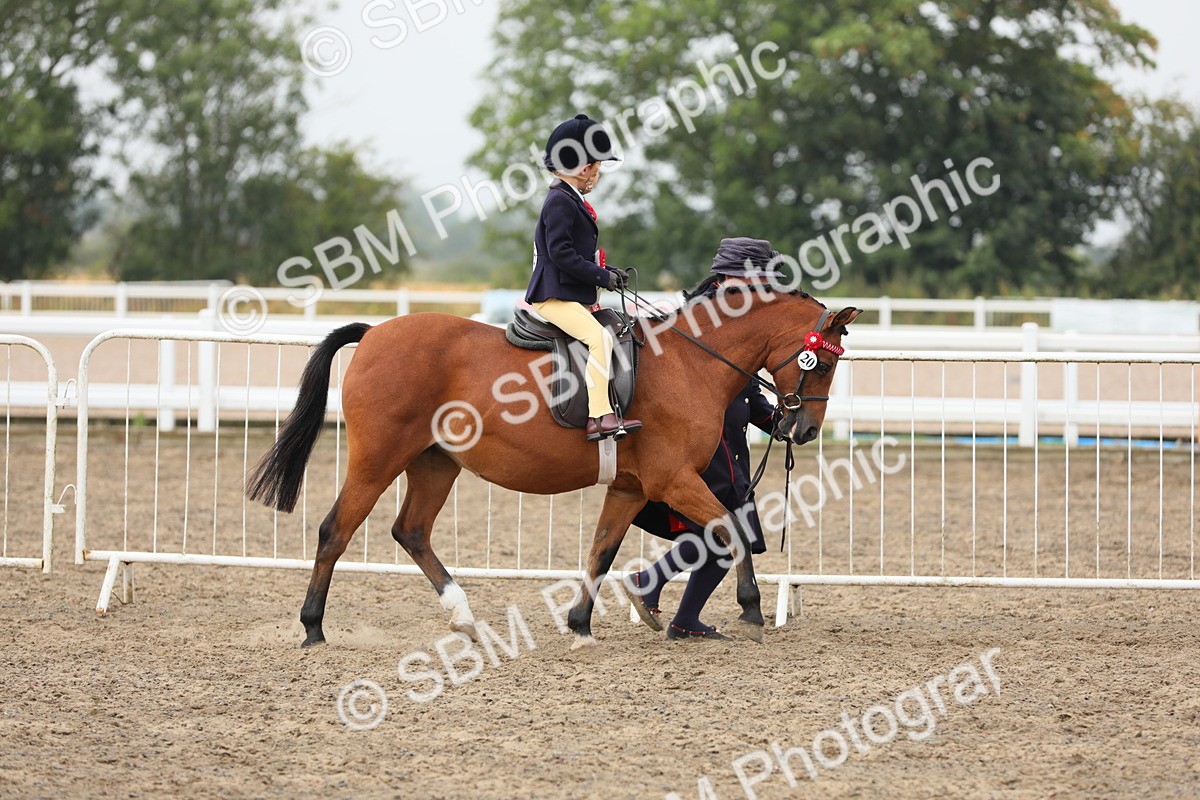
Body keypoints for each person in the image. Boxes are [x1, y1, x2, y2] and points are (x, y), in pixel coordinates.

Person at [627, 238, 784, 640]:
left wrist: (773, 419)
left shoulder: (737, 320)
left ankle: (681, 618)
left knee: (727, 536)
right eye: (759, 280)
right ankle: (652, 584)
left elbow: (744, 385)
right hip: (699, 446)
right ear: (733, 277)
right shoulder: (696, 320)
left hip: (730, 444)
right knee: (724, 532)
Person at [525, 114, 642, 442]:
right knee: (599, 338)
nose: (598, 173)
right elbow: (561, 253)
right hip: (552, 295)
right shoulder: (560, 201)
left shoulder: (569, 199)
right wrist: (600, 276)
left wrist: (606, 272)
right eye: (597, 166)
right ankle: (599, 415)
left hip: (569, 292)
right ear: (583, 166)